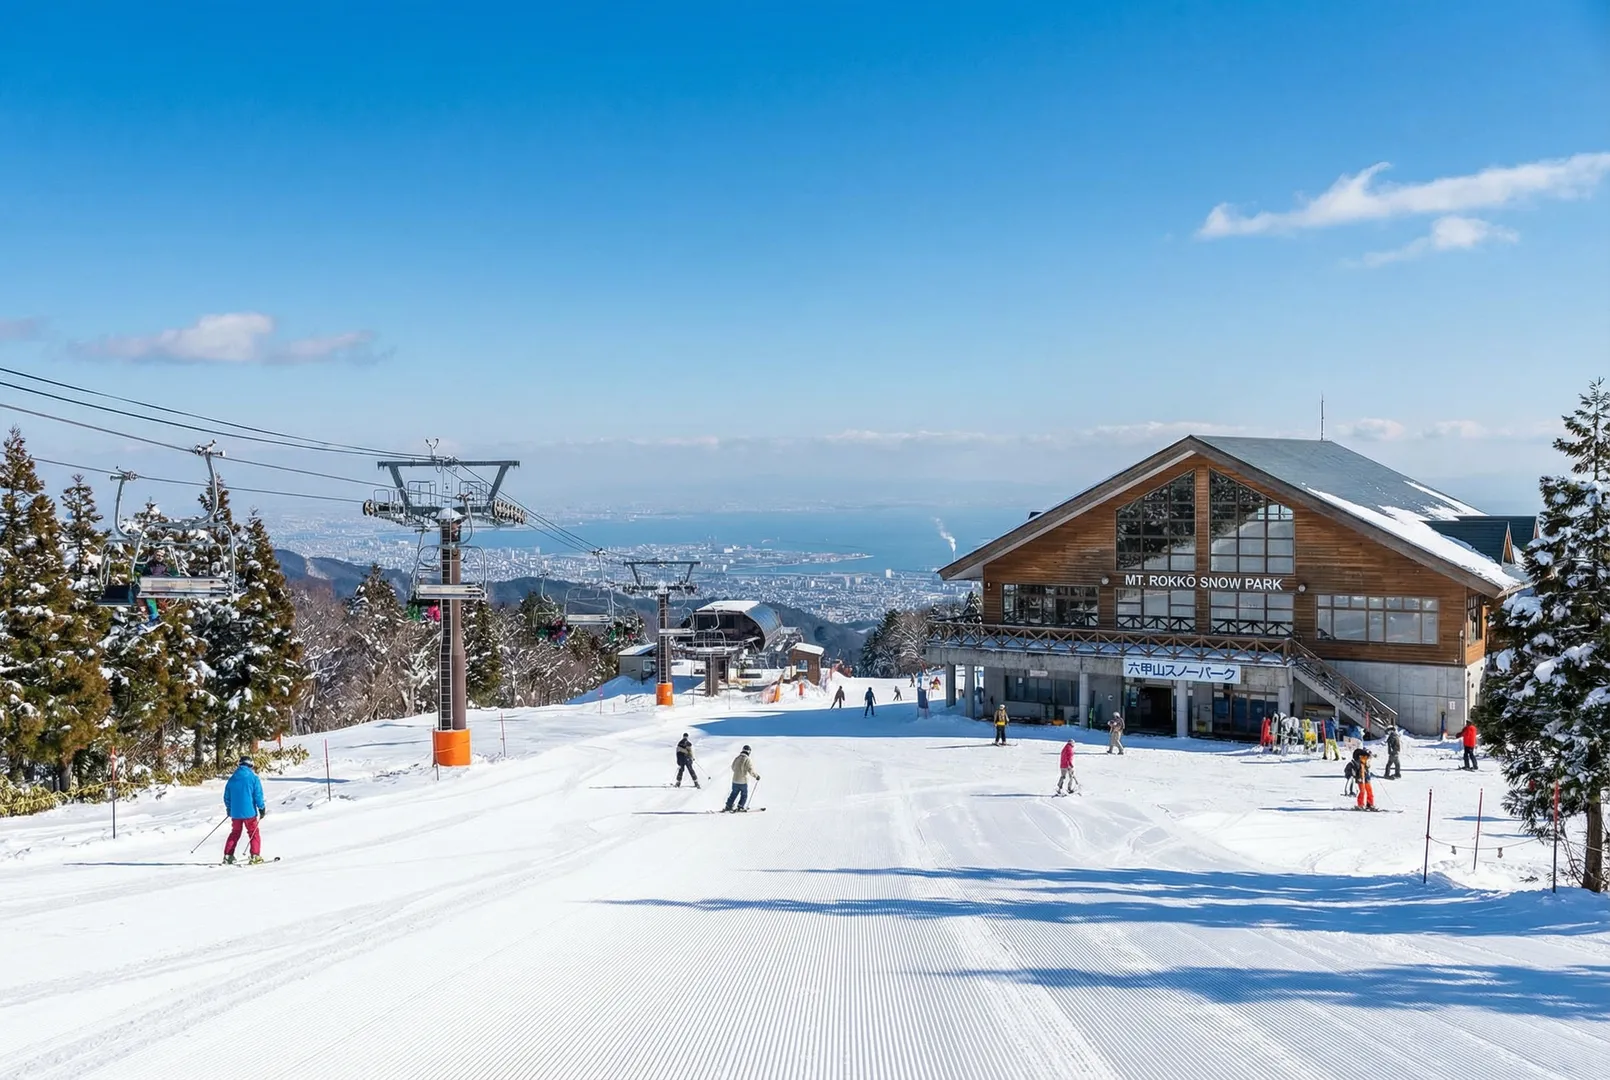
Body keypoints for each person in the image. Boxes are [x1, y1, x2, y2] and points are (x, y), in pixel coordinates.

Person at [221, 756, 266, 865]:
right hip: (249, 812)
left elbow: (227, 797)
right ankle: (255, 855)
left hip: (235, 813)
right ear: (250, 765)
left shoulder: (232, 779)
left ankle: (228, 856)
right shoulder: (253, 778)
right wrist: (261, 808)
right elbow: (258, 795)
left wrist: (229, 809)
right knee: (253, 832)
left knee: (235, 832)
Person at [724, 745, 760, 812]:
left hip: (735, 780)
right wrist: (756, 776)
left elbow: (732, 767)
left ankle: (728, 806)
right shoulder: (747, 759)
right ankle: (740, 806)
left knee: (733, 793)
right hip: (743, 781)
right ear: (749, 752)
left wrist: (737, 772)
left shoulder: (737, 758)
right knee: (744, 794)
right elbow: (750, 771)